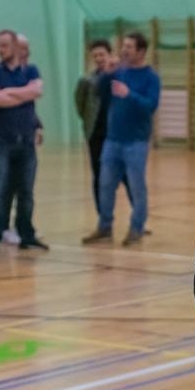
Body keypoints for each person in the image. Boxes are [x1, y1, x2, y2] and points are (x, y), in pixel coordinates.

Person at [82, 30, 158, 247]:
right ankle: (104, 227)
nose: (124, 50)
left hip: (136, 141)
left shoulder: (150, 77)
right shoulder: (119, 72)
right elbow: (98, 92)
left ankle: (136, 228)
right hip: (112, 140)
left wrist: (130, 94)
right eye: (123, 46)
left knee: (136, 186)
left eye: (129, 47)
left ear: (141, 51)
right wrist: (107, 73)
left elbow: (150, 106)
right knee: (105, 184)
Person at [0, 28, 47, 254]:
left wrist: (9, 92)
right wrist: (23, 94)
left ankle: (26, 234)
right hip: (2, 141)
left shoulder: (31, 70)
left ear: (16, 48)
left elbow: (37, 91)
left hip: (26, 142)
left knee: (26, 192)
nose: (0, 50)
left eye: (5, 45)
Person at [76, 38, 116, 218]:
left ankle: (138, 221)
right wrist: (89, 123)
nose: (99, 58)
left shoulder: (119, 77)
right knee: (99, 175)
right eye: (95, 55)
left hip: (117, 135)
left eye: (102, 54)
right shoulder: (86, 80)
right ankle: (103, 216)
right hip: (96, 135)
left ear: (110, 55)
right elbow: (80, 104)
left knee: (127, 177)